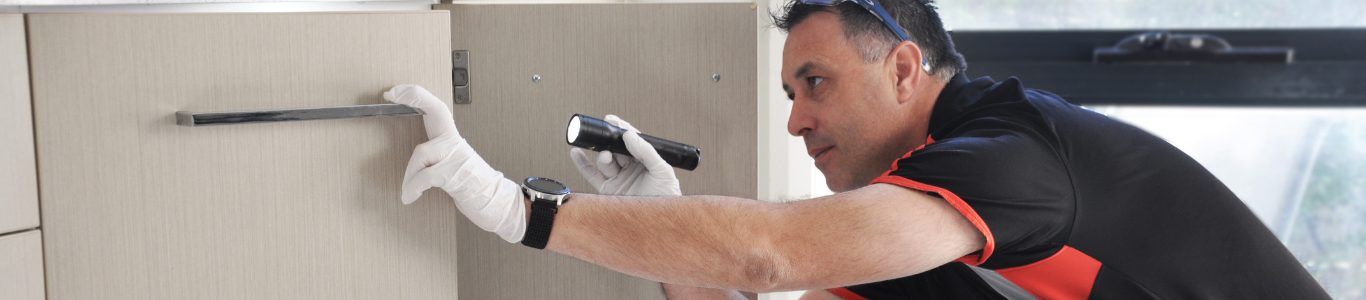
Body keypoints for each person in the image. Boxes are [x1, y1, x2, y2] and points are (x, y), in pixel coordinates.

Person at [381, 0, 1330, 298]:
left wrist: (519, 211)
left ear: (908, 69)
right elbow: (763, 276)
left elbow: (770, 252)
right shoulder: (913, 220)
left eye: (817, 82)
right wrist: (657, 223)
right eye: (789, 92)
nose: (795, 119)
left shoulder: (1013, 155)